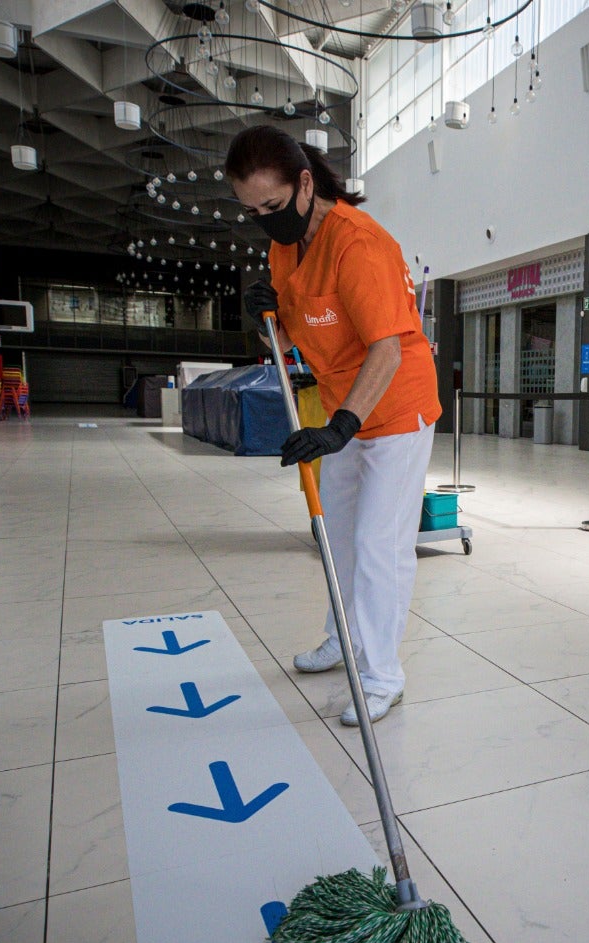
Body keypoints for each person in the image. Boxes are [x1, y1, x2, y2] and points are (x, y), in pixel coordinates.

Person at [227, 126, 439, 726]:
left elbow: (388, 351)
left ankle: (381, 675)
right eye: (252, 213)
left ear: (304, 183)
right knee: (338, 535)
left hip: (394, 408)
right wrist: (265, 320)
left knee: (379, 543)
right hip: (348, 407)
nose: (266, 221)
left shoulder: (359, 245)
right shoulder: (285, 244)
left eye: (271, 206)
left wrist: (341, 426)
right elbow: (294, 334)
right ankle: (342, 638)